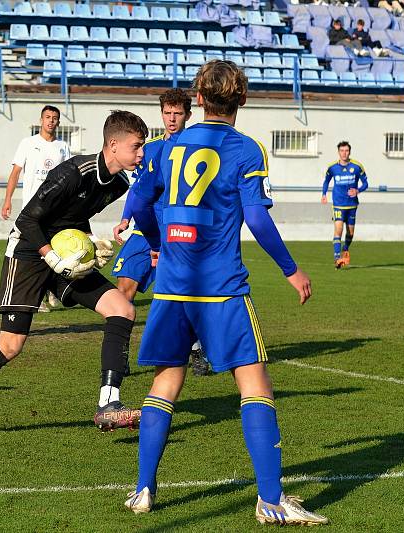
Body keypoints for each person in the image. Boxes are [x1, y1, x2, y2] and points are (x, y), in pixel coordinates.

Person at [124, 61, 327, 525]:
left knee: (166, 382)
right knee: (254, 383)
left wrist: (158, 245)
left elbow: (137, 205)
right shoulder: (245, 149)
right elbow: (256, 218)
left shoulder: (165, 147)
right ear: (243, 100)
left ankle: (143, 490)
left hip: (173, 288)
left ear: (197, 99)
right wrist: (292, 270)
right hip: (221, 288)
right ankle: (271, 500)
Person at [0, 110, 148, 440]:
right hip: (30, 253)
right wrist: (51, 257)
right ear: (113, 145)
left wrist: (86, 246)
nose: (141, 153)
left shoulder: (117, 184)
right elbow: (27, 220)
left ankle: (109, 404)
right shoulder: (73, 173)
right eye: (137, 146)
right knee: (10, 345)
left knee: (122, 309)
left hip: (62, 256)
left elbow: (75, 216)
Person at [111, 89, 211, 377]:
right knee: (123, 291)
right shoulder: (150, 148)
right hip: (145, 231)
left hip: (179, 234)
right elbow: (139, 189)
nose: (172, 118)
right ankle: (120, 354)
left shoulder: (197, 148)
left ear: (188, 115)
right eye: (167, 112)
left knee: (182, 296)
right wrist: (125, 217)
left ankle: (196, 349)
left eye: (177, 113)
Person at [1, 105, 71, 313]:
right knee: (32, 253)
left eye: (55, 118)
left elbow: (69, 179)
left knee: (55, 249)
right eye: (47, 117)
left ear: (58, 122)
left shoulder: (63, 147)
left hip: (55, 210)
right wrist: (7, 200)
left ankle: (50, 291)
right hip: (32, 211)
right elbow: (15, 173)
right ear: (41, 120)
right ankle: (37, 297)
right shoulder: (28, 143)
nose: (51, 121)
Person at [321, 141, 368, 269]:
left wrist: (358, 190)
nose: (344, 153)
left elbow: (365, 184)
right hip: (338, 204)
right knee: (338, 230)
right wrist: (324, 194)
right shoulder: (332, 168)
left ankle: (345, 248)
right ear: (338, 152)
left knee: (350, 233)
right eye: (342, 151)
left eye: (346, 150)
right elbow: (326, 181)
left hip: (352, 205)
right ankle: (337, 258)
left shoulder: (357, 167)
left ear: (349, 152)